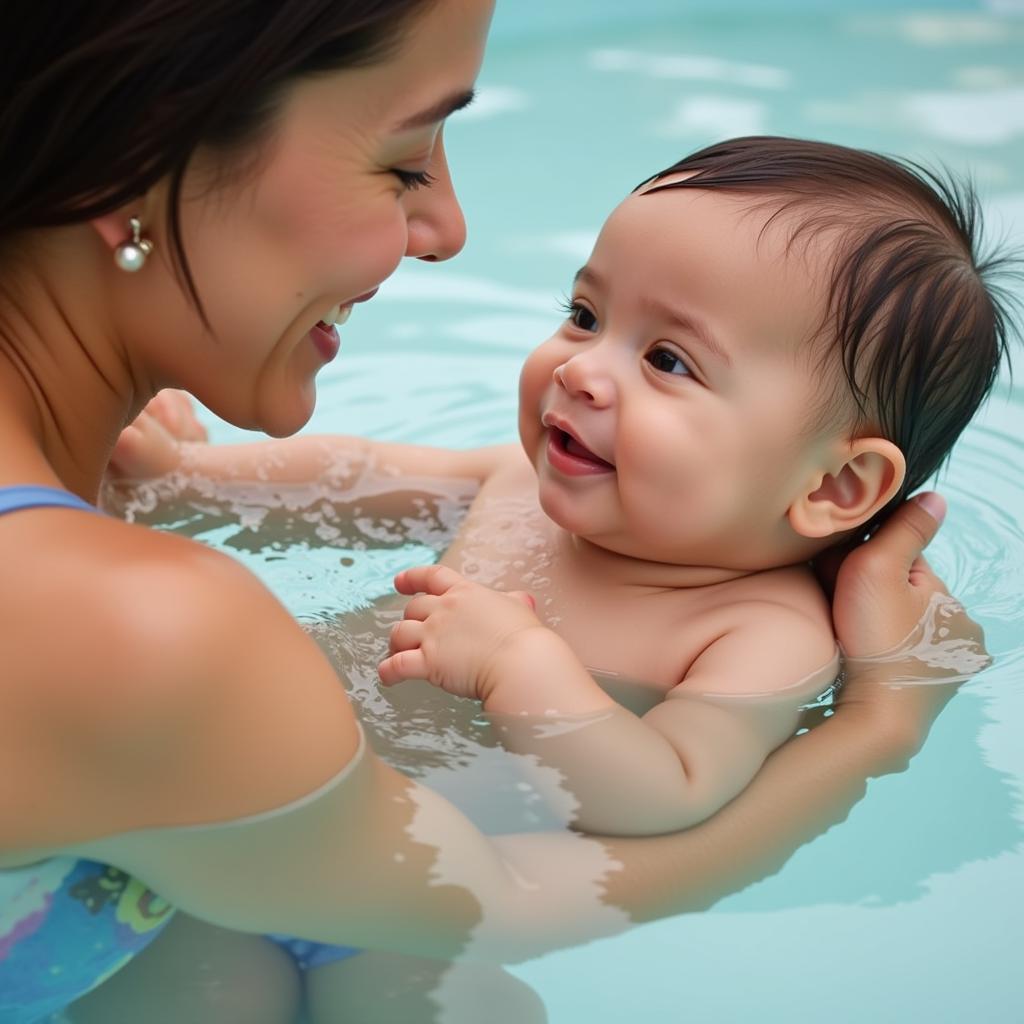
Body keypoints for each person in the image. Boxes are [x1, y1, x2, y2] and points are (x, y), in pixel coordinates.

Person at [0, 0, 988, 1019]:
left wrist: (530, 676)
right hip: (303, 851)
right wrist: (189, 480)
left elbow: (669, 792)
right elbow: (345, 477)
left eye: (667, 360)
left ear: (834, 486)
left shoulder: (759, 630)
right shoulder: (521, 490)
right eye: (583, 316)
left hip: (366, 879)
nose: (582, 371)